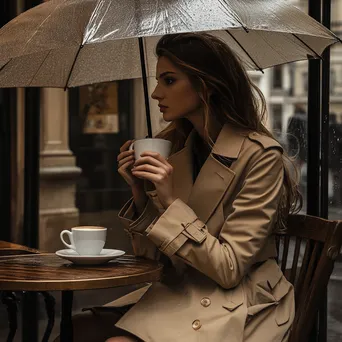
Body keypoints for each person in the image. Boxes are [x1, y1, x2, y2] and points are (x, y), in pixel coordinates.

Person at [57, 32, 302, 342]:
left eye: (169, 80)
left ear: (206, 86)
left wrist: (171, 201)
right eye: (158, 80)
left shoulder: (260, 156)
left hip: (238, 300)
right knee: (76, 330)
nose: (157, 93)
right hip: (181, 290)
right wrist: (140, 193)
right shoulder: (177, 148)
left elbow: (229, 269)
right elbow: (154, 259)